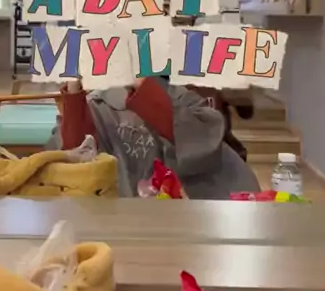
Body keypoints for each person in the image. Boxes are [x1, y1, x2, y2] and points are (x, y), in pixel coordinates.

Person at [49, 77, 261, 200]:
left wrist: (139, 83)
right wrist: (73, 90)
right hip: (117, 223)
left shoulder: (184, 98)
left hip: (189, 219)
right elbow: (75, 160)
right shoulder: (96, 105)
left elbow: (200, 146)